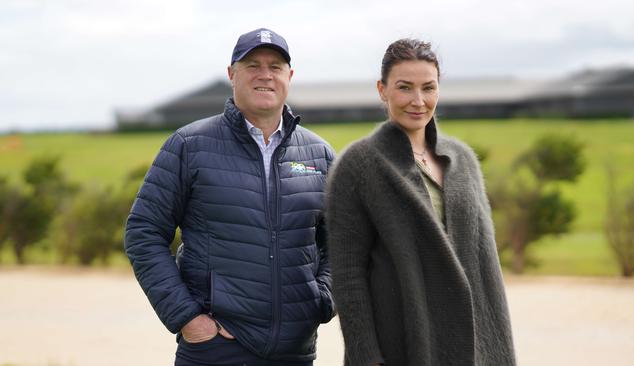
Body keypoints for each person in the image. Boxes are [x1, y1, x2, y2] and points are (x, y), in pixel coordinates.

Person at [124, 28, 336, 366]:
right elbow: (143, 233)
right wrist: (188, 319)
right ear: (231, 74)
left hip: (295, 350)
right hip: (215, 348)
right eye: (252, 64)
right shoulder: (189, 146)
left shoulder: (319, 154)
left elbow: (342, 241)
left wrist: (322, 299)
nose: (265, 74)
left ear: (289, 76)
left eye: (276, 66)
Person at [325, 39, 516, 366]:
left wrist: (498, 348)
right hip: (403, 341)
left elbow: (486, 265)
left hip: (474, 345)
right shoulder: (358, 165)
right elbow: (348, 274)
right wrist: (365, 354)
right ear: (382, 90)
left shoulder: (463, 159)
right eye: (404, 87)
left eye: (428, 88)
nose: (418, 101)